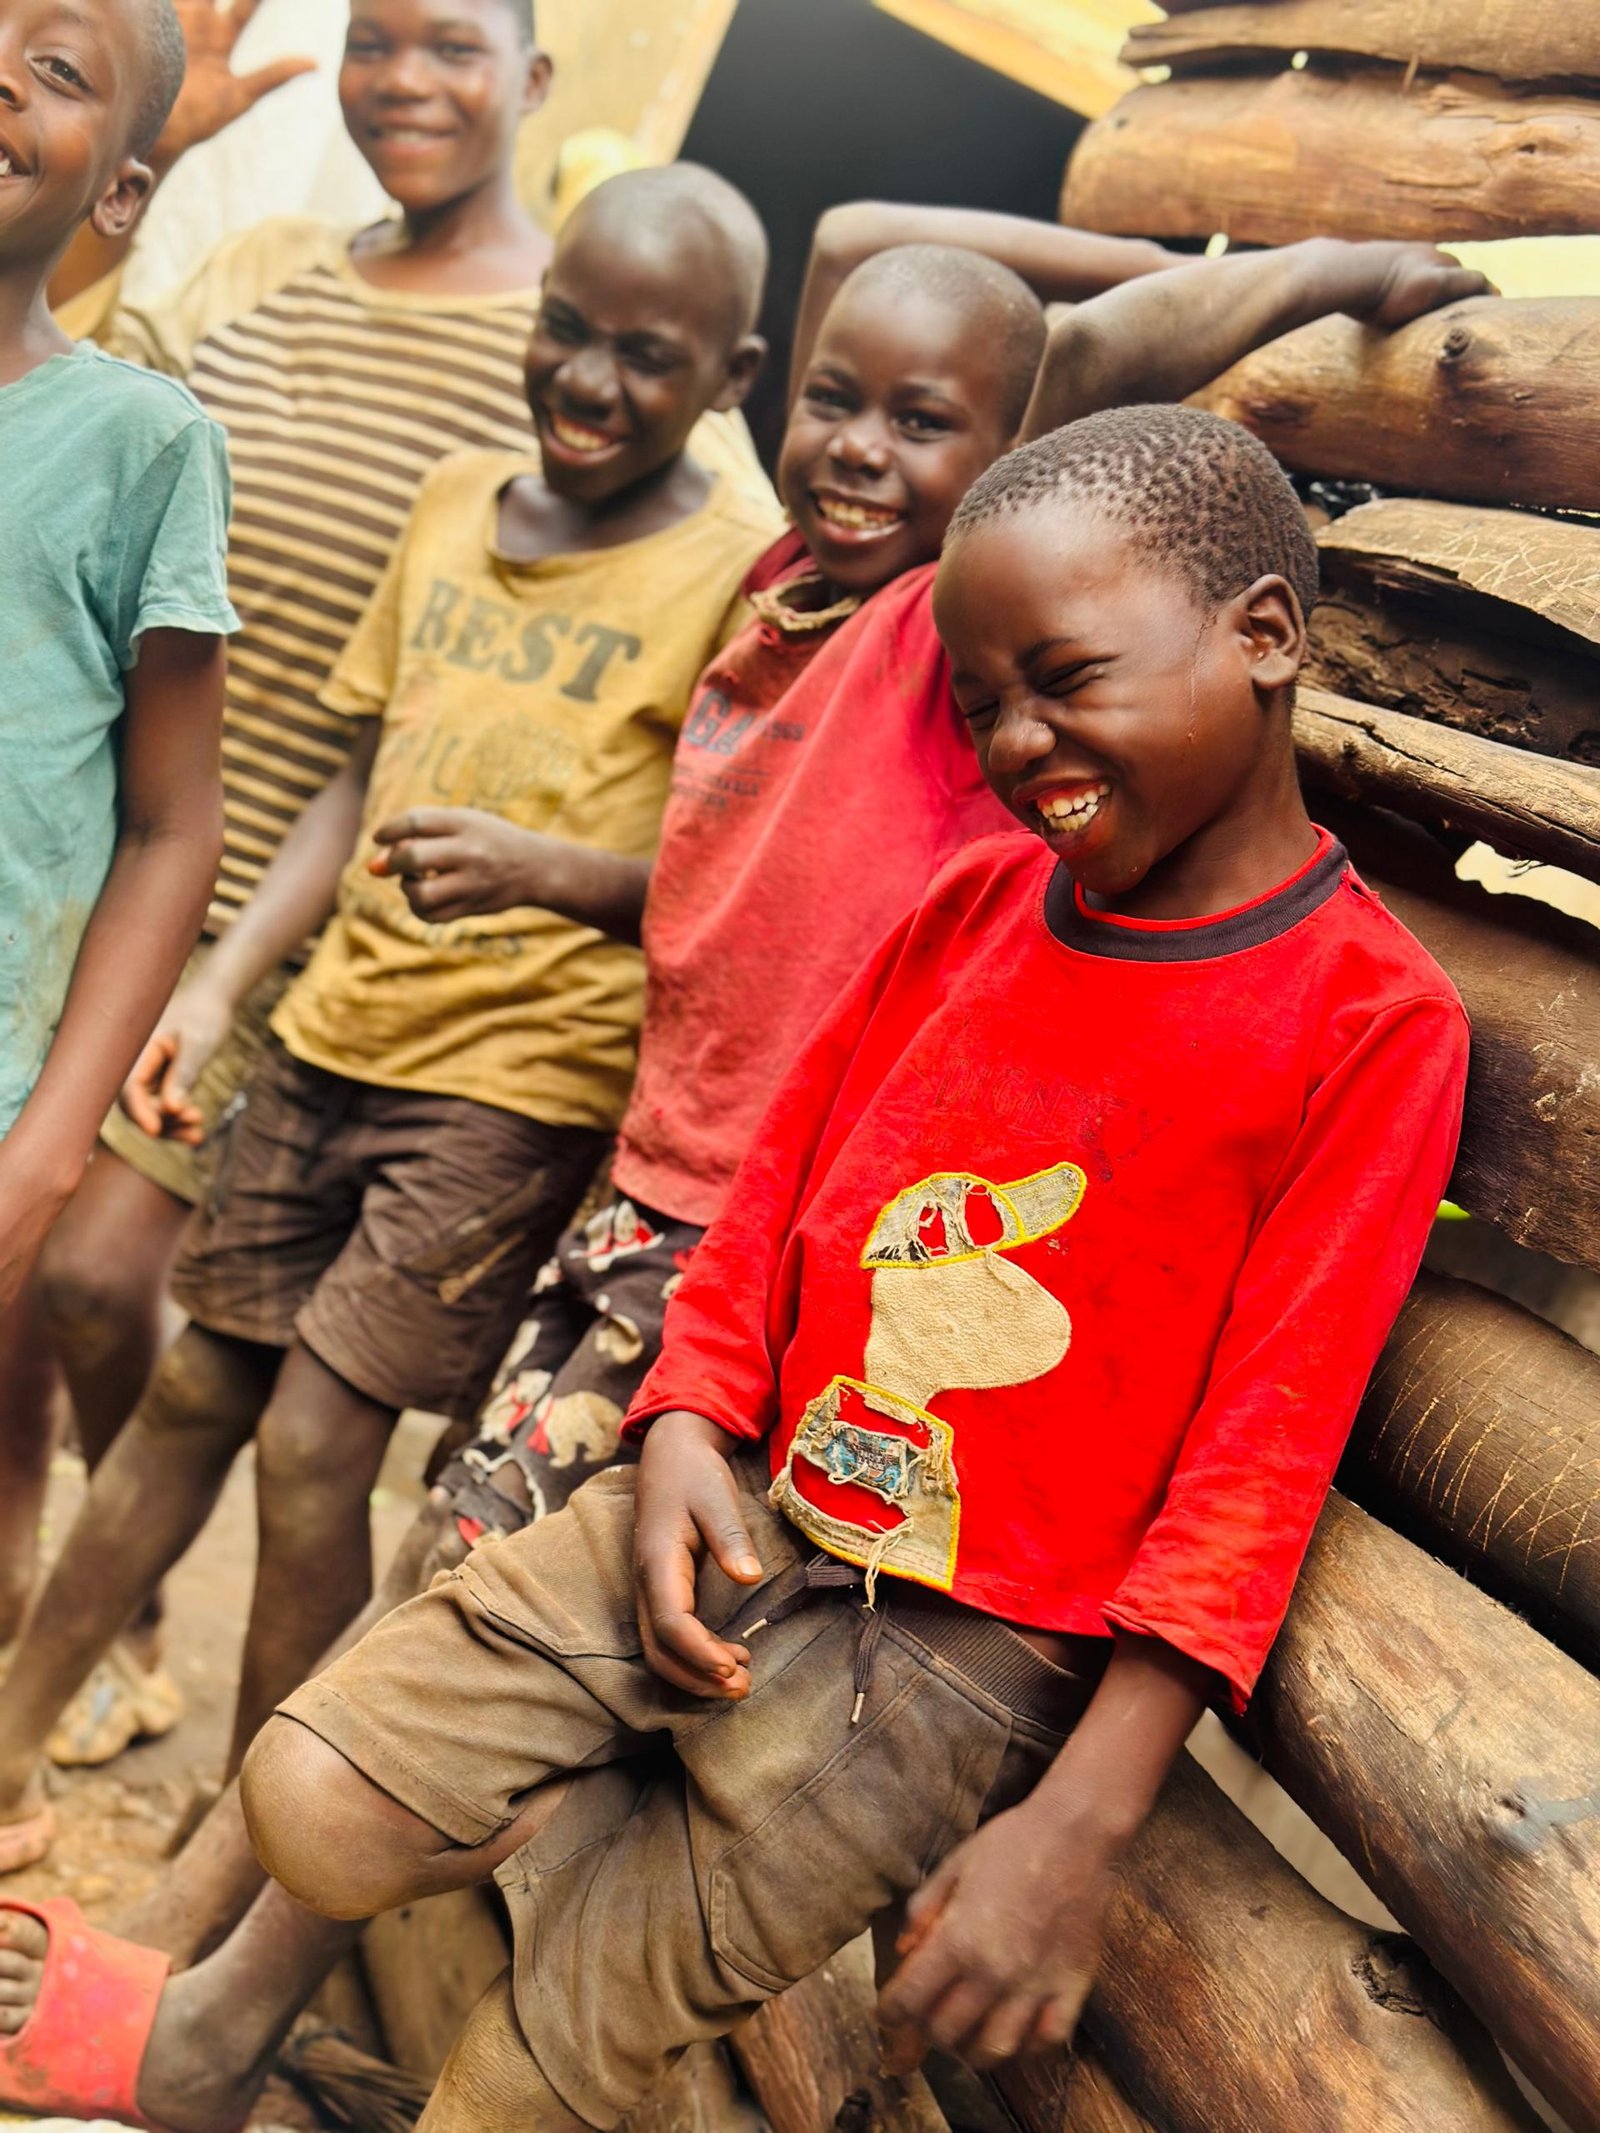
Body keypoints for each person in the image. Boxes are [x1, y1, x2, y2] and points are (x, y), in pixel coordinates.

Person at [0, 228, 1484, 2133]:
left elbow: (1261, 1461)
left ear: (1266, 635)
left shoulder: (1371, 1023)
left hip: (956, 1658)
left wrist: (1081, 1818)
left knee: (536, 2077)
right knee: (315, 1792)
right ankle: (461, 1877)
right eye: (982, 704)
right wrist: (691, 1411)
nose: (1016, 744)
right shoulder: (974, 899)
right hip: (743, 1495)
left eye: (1065, 681)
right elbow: (783, 1182)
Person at [0, 160, 780, 1883]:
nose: (588, 380)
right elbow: (352, 775)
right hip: (332, 1029)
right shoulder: (449, 501)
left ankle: (238, 1847)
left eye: (648, 356)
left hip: (512, 1084)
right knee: (194, 1390)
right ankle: (4, 1746)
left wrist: (546, 870)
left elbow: (737, 875)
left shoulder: (738, 581)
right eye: (566, 330)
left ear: (732, 380)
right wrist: (217, 986)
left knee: (310, 1448)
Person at [0, 0, 236, 1641]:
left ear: (124, 191)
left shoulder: (145, 446)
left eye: (56, 68)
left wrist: (44, 1154)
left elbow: (169, 828)